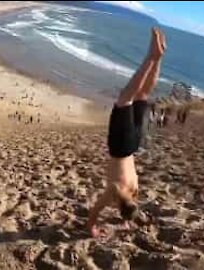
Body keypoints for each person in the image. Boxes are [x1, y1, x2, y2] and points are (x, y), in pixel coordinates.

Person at [86, 28, 167, 238]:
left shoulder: (133, 188)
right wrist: (92, 228)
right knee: (125, 99)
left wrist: (127, 221)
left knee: (143, 95)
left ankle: (158, 59)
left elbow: (130, 206)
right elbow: (95, 212)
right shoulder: (115, 192)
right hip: (120, 147)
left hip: (133, 145)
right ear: (118, 208)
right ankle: (151, 58)